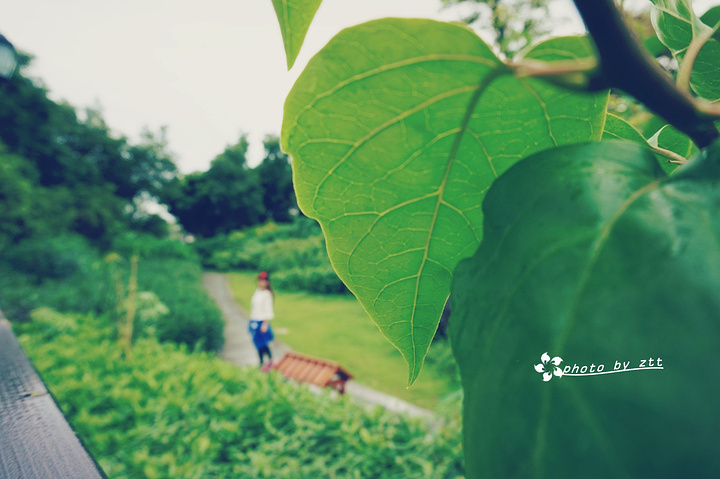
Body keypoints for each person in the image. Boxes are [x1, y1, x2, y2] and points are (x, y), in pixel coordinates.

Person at [248, 271, 275, 370]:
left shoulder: (267, 294)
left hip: (261, 322)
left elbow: (268, 309)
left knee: (263, 343)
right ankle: (261, 361)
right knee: (257, 343)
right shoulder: (258, 292)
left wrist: (265, 323)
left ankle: (269, 361)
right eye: (260, 281)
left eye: (264, 281)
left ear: (267, 282)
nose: (262, 283)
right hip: (254, 320)